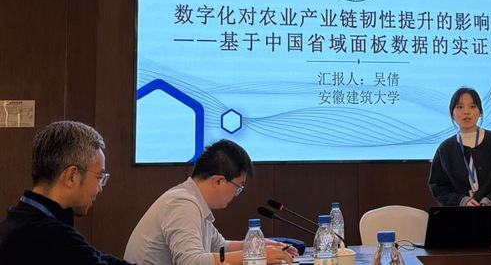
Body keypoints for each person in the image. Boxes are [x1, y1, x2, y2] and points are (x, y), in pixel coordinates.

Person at [124, 139, 296, 265]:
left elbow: (220, 247)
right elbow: (191, 262)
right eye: (238, 186)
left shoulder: (194, 201)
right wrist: (256, 256)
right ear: (218, 181)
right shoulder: (183, 204)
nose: (237, 194)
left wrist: (260, 246)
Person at [0, 120, 134, 264]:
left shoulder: (18, 220)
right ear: (72, 176)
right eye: (99, 177)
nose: (100, 188)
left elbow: (97, 256)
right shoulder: (51, 237)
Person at [428, 87, 491, 240]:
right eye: (460, 107)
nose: (466, 112)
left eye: (472, 106)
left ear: (480, 111)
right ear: (452, 113)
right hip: (460, 223)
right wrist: (462, 201)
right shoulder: (445, 148)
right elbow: (438, 187)